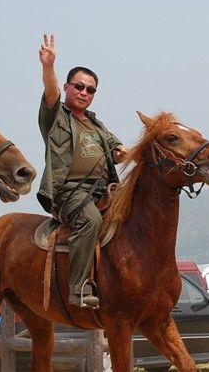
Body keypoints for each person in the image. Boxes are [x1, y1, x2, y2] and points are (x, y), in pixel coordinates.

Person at [36, 33, 128, 309]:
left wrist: (143, 148)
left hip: (105, 190)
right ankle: (77, 287)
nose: (84, 93)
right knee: (90, 220)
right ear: (67, 87)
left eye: (90, 90)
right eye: (79, 86)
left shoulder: (96, 125)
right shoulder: (56, 117)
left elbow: (119, 150)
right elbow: (50, 93)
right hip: (70, 193)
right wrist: (48, 66)